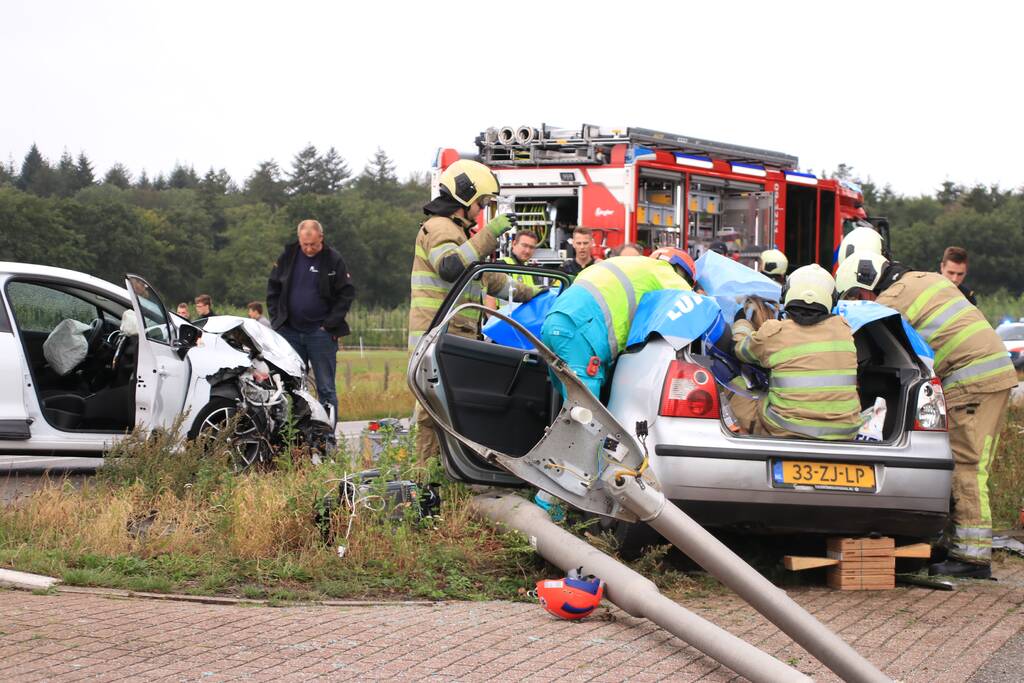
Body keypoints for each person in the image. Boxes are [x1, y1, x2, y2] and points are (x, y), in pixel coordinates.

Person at [836, 252, 1017, 579]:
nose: (862, 301)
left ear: (867, 286)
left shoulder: (890, 300)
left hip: (972, 380)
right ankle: (957, 544)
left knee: (967, 465)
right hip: (992, 374)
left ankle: (972, 558)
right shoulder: (926, 279)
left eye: (858, 295)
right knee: (970, 463)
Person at [408, 159, 535, 460]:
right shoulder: (439, 227)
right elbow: (450, 267)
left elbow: (490, 281)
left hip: (452, 336)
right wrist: (489, 235)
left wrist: (532, 293)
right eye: (482, 203)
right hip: (438, 336)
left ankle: (452, 475)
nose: (482, 210)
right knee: (433, 413)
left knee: (455, 409)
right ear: (466, 196)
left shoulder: (460, 233)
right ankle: (428, 483)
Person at [728, 264, 862, 440]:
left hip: (785, 429)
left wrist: (742, 323)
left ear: (786, 294)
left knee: (733, 382)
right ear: (831, 300)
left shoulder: (773, 332)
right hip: (845, 432)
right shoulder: (844, 331)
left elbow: (739, 351)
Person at [541, 249, 697, 398]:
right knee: (585, 412)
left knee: (567, 404)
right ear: (680, 270)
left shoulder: (624, 264)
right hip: (582, 332)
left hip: (553, 324)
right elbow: (694, 304)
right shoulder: (663, 271)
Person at [267, 219, 355, 415]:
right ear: (299, 239)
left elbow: (346, 294)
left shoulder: (333, 259)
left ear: (321, 238)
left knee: (325, 388)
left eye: (313, 244)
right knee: (291, 386)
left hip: (320, 334)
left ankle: (327, 436)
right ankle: (295, 435)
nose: (308, 249)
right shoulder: (287, 256)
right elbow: (273, 288)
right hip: (290, 331)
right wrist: (277, 320)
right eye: (304, 244)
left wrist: (330, 324)